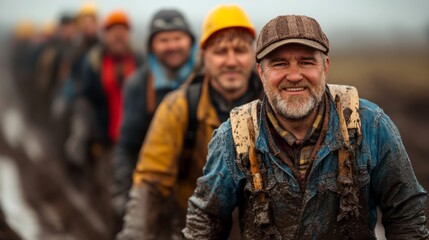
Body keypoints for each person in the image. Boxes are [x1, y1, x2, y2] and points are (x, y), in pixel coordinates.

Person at [182, 15, 429, 239]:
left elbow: (407, 214)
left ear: (325, 67)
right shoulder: (235, 136)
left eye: (306, 62)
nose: (294, 75)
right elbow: (204, 222)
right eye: (279, 64)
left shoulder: (370, 124)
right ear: (260, 72)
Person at [117, 4, 263, 240]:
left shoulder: (272, 106)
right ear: (203, 56)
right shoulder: (179, 107)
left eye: (240, 50)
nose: (231, 61)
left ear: (254, 55)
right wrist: (134, 234)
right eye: (220, 52)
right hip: (190, 228)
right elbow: (151, 182)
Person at [111, 9, 196, 223]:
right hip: (156, 189)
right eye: (163, 40)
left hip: (200, 192)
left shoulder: (207, 80)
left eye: (178, 38)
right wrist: (123, 193)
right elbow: (128, 145)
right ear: (151, 46)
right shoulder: (138, 85)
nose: (172, 46)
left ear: (190, 41)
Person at [65, 10, 141, 233]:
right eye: (113, 31)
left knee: (134, 200)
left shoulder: (139, 60)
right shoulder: (94, 63)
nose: (119, 36)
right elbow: (84, 101)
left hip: (137, 145)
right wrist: (81, 137)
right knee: (112, 198)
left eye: (123, 31)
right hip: (106, 143)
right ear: (105, 34)